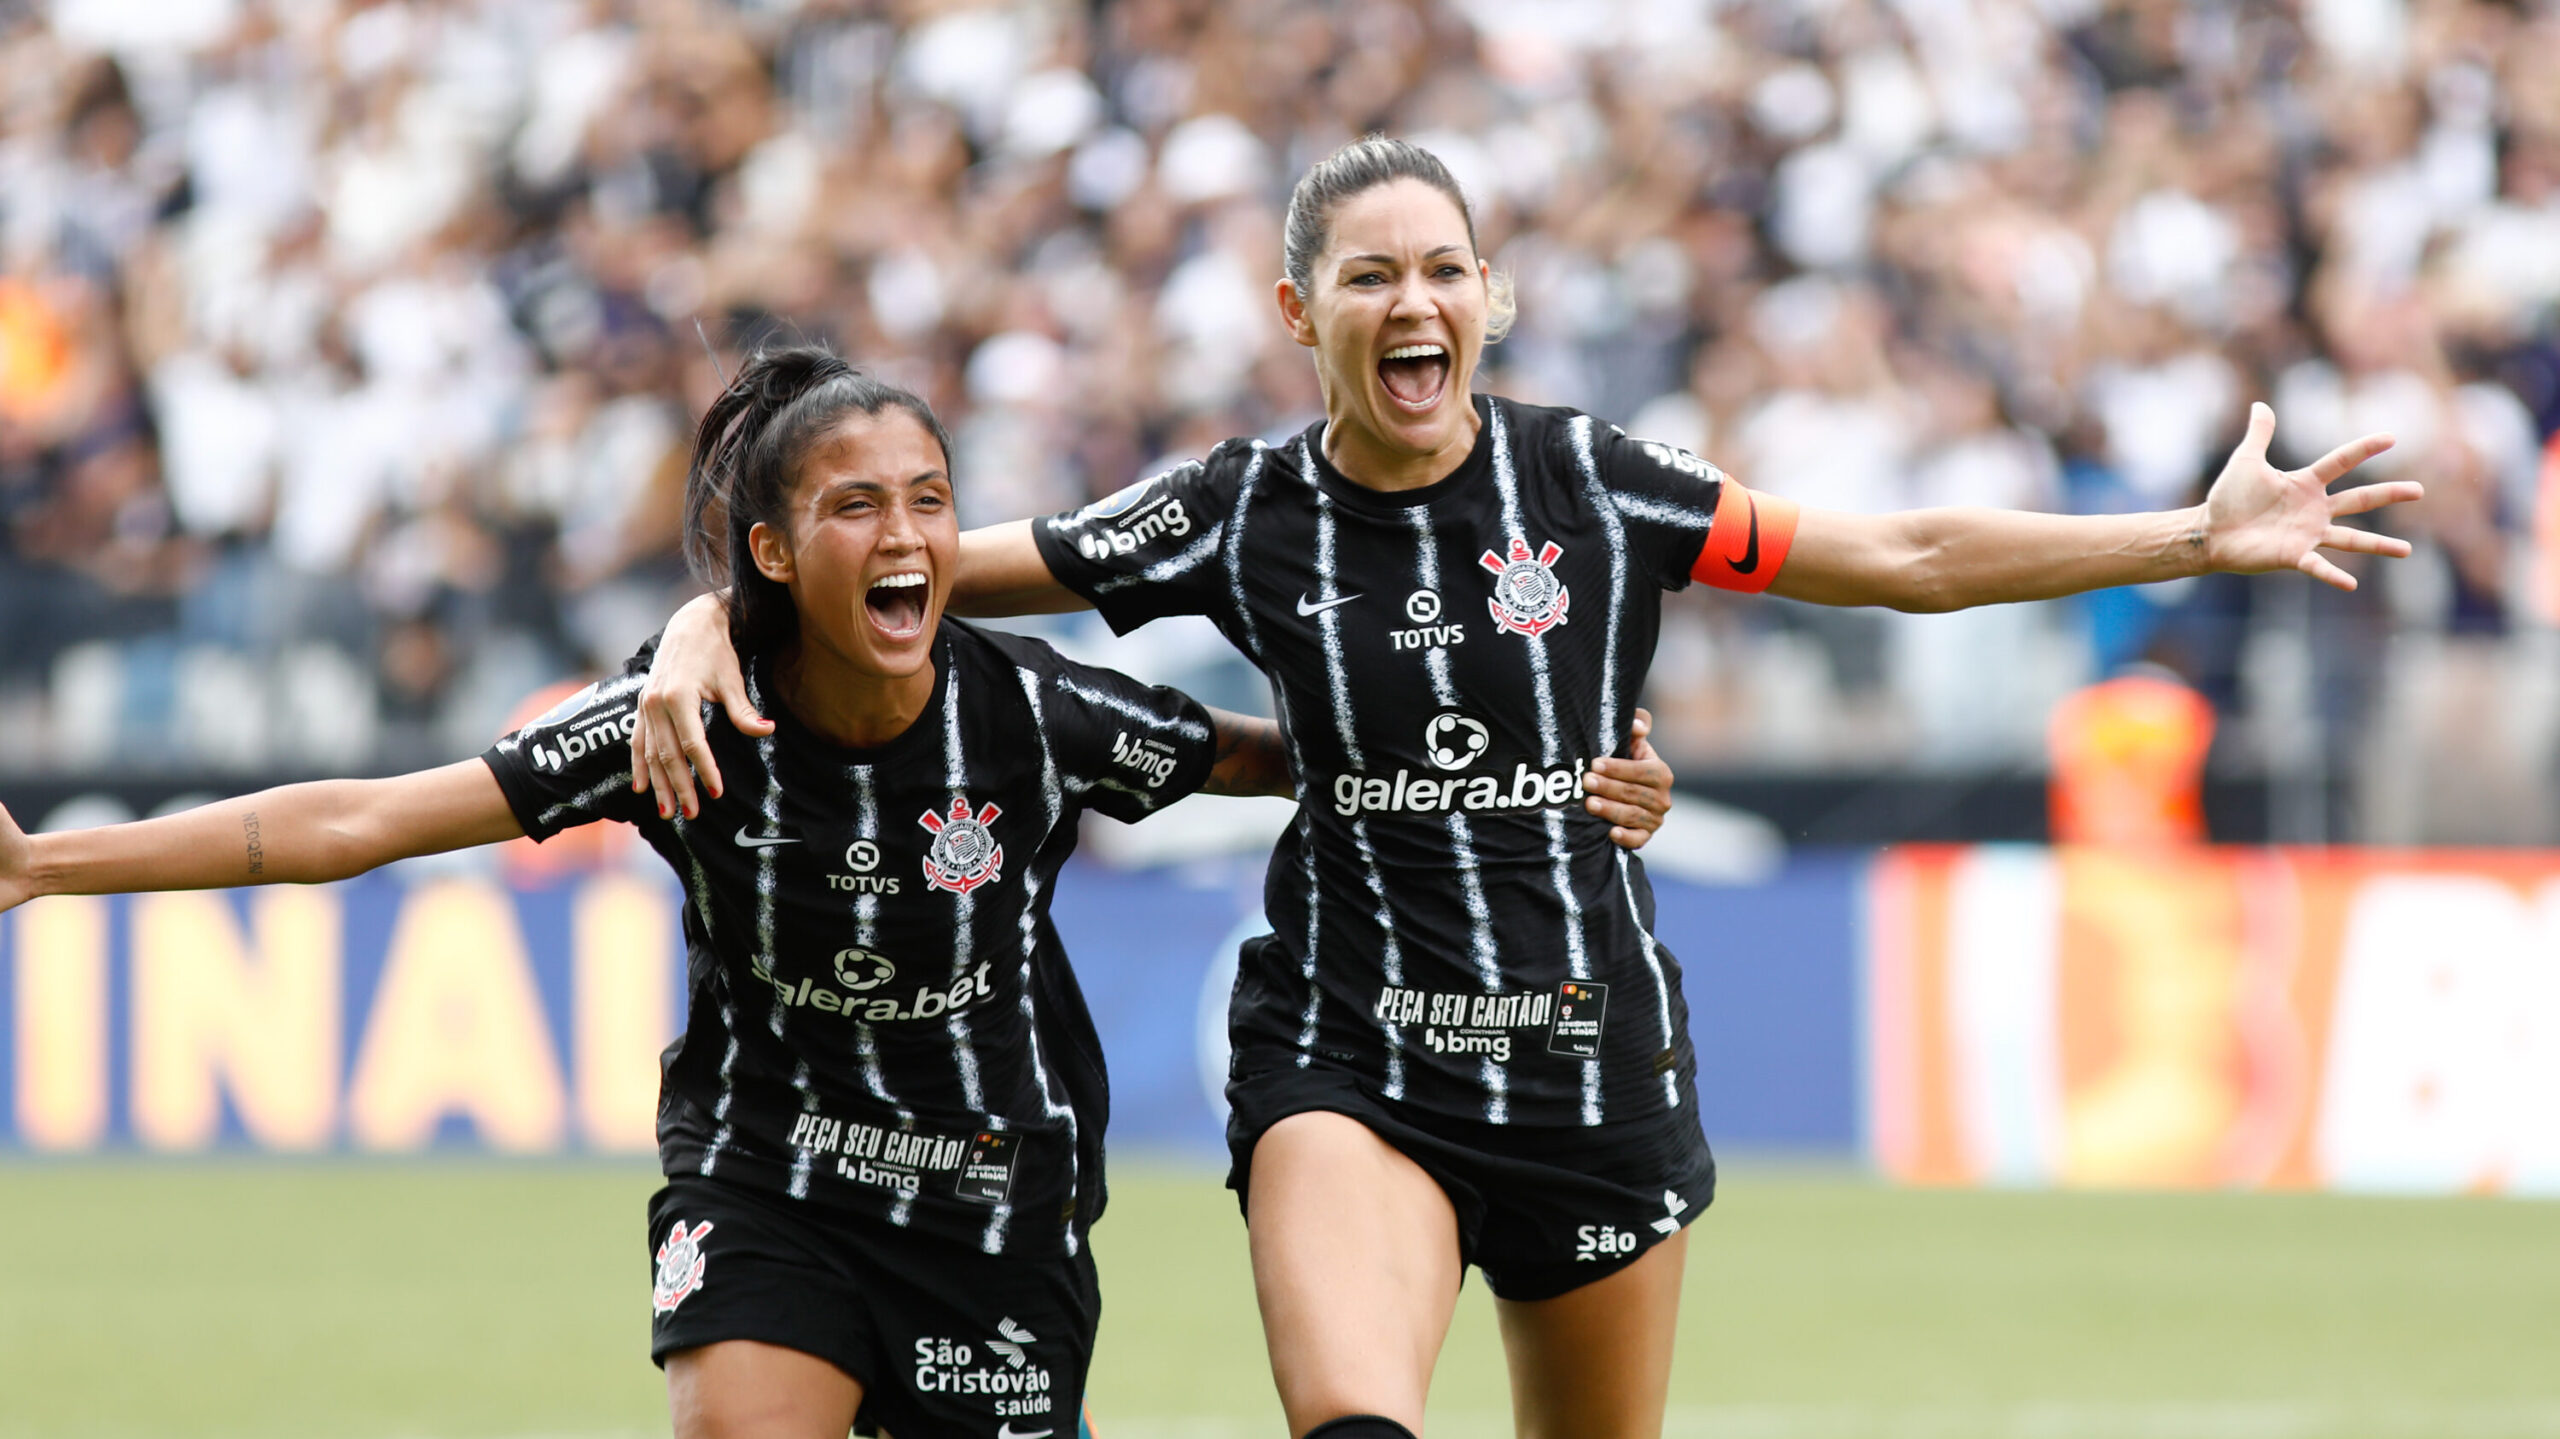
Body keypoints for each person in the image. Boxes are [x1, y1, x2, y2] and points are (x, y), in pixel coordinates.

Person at [628, 139, 2422, 1439]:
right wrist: (712, 616)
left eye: (1442, 269)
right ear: (1297, 309)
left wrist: (2191, 530)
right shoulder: (1236, 507)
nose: (1412, 300)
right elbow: (922, 571)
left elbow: (1902, 548)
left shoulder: (1597, 478)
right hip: (1351, 1047)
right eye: (1367, 273)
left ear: (1490, 297)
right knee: (1352, 1423)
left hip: (1586, 1055)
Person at [0, 342, 1667, 1438]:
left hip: (997, 1206)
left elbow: (1268, 757)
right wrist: (43, 866)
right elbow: (356, 819)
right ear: (778, 554)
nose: (909, 536)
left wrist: (1551, 763)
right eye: (857, 505)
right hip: (771, 1175)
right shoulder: (683, 724)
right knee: (739, 1418)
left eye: (931, 503)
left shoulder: (1031, 708)